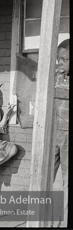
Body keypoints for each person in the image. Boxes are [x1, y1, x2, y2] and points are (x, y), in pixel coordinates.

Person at [53, 39, 69, 227]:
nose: (60, 63)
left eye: (65, 59)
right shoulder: (55, 76)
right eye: (59, 59)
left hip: (68, 134)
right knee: (44, 177)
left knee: (67, 181)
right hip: (51, 132)